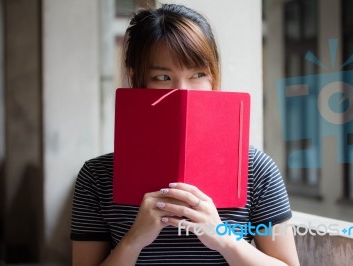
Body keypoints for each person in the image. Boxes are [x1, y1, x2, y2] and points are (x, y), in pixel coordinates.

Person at [71, 4, 300, 266]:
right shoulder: (96, 176)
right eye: (163, 76)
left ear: (214, 78)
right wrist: (134, 240)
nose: (182, 92)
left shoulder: (254, 170)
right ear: (137, 80)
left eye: (198, 74)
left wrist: (224, 239)